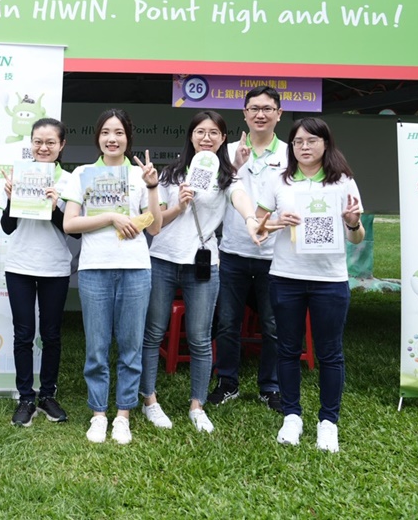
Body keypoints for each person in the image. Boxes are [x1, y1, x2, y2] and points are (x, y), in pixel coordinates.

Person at [139, 111, 266, 434]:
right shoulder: (170, 174)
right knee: (153, 333)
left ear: (223, 139)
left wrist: (251, 219)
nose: (206, 137)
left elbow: (241, 199)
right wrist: (179, 206)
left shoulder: (227, 178)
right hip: (163, 260)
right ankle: (149, 399)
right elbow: (155, 225)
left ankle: (197, 405)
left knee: (199, 337)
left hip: (203, 263)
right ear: (191, 136)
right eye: (200, 131)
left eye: (213, 133)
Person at [258, 117, 364, 453]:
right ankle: (292, 415)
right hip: (286, 276)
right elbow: (258, 226)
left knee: (330, 353)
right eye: (298, 142)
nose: (304, 147)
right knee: (287, 349)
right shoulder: (279, 180)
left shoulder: (343, 182)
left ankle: (328, 422)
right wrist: (276, 222)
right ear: (291, 146)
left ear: (326, 144)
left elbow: (357, 238)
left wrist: (353, 223)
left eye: (312, 141)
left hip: (329, 280)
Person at [62, 109, 161, 445]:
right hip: (95, 268)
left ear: (128, 137)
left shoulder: (139, 175)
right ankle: (98, 414)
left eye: (118, 132)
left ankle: (123, 415)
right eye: (106, 132)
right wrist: (110, 217)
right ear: (98, 137)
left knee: (131, 346)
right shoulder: (83, 173)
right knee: (97, 347)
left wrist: (152, 187)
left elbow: (155, 225)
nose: (112, 139)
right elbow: (70, 223)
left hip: (135, 268)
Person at [208, 87, 288, 412]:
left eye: (267, 109)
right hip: (232, 252)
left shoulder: (290, 154)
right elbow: (214, 191)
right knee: (228, 323)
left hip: (274, 255)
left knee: (273, 325)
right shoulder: (226, 151)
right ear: (244, 114)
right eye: (254, 108)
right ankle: (227, 382)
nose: (260, 114)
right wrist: (235, 165)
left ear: (279, 114)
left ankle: (270, 387)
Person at [0, 118, 77, 427]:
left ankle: (47, 395)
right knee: (23, 334)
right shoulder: (20, 176)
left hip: (54, 267)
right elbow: (7, 227)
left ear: (61, 145)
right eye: (38, 142)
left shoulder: (70, 181)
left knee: (51, 334)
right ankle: (25, 398)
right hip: (19, 265)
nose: (43, 147)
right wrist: (10, 200)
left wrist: (56, 206)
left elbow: (75, 231)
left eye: (50, 142)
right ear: (30, 144)